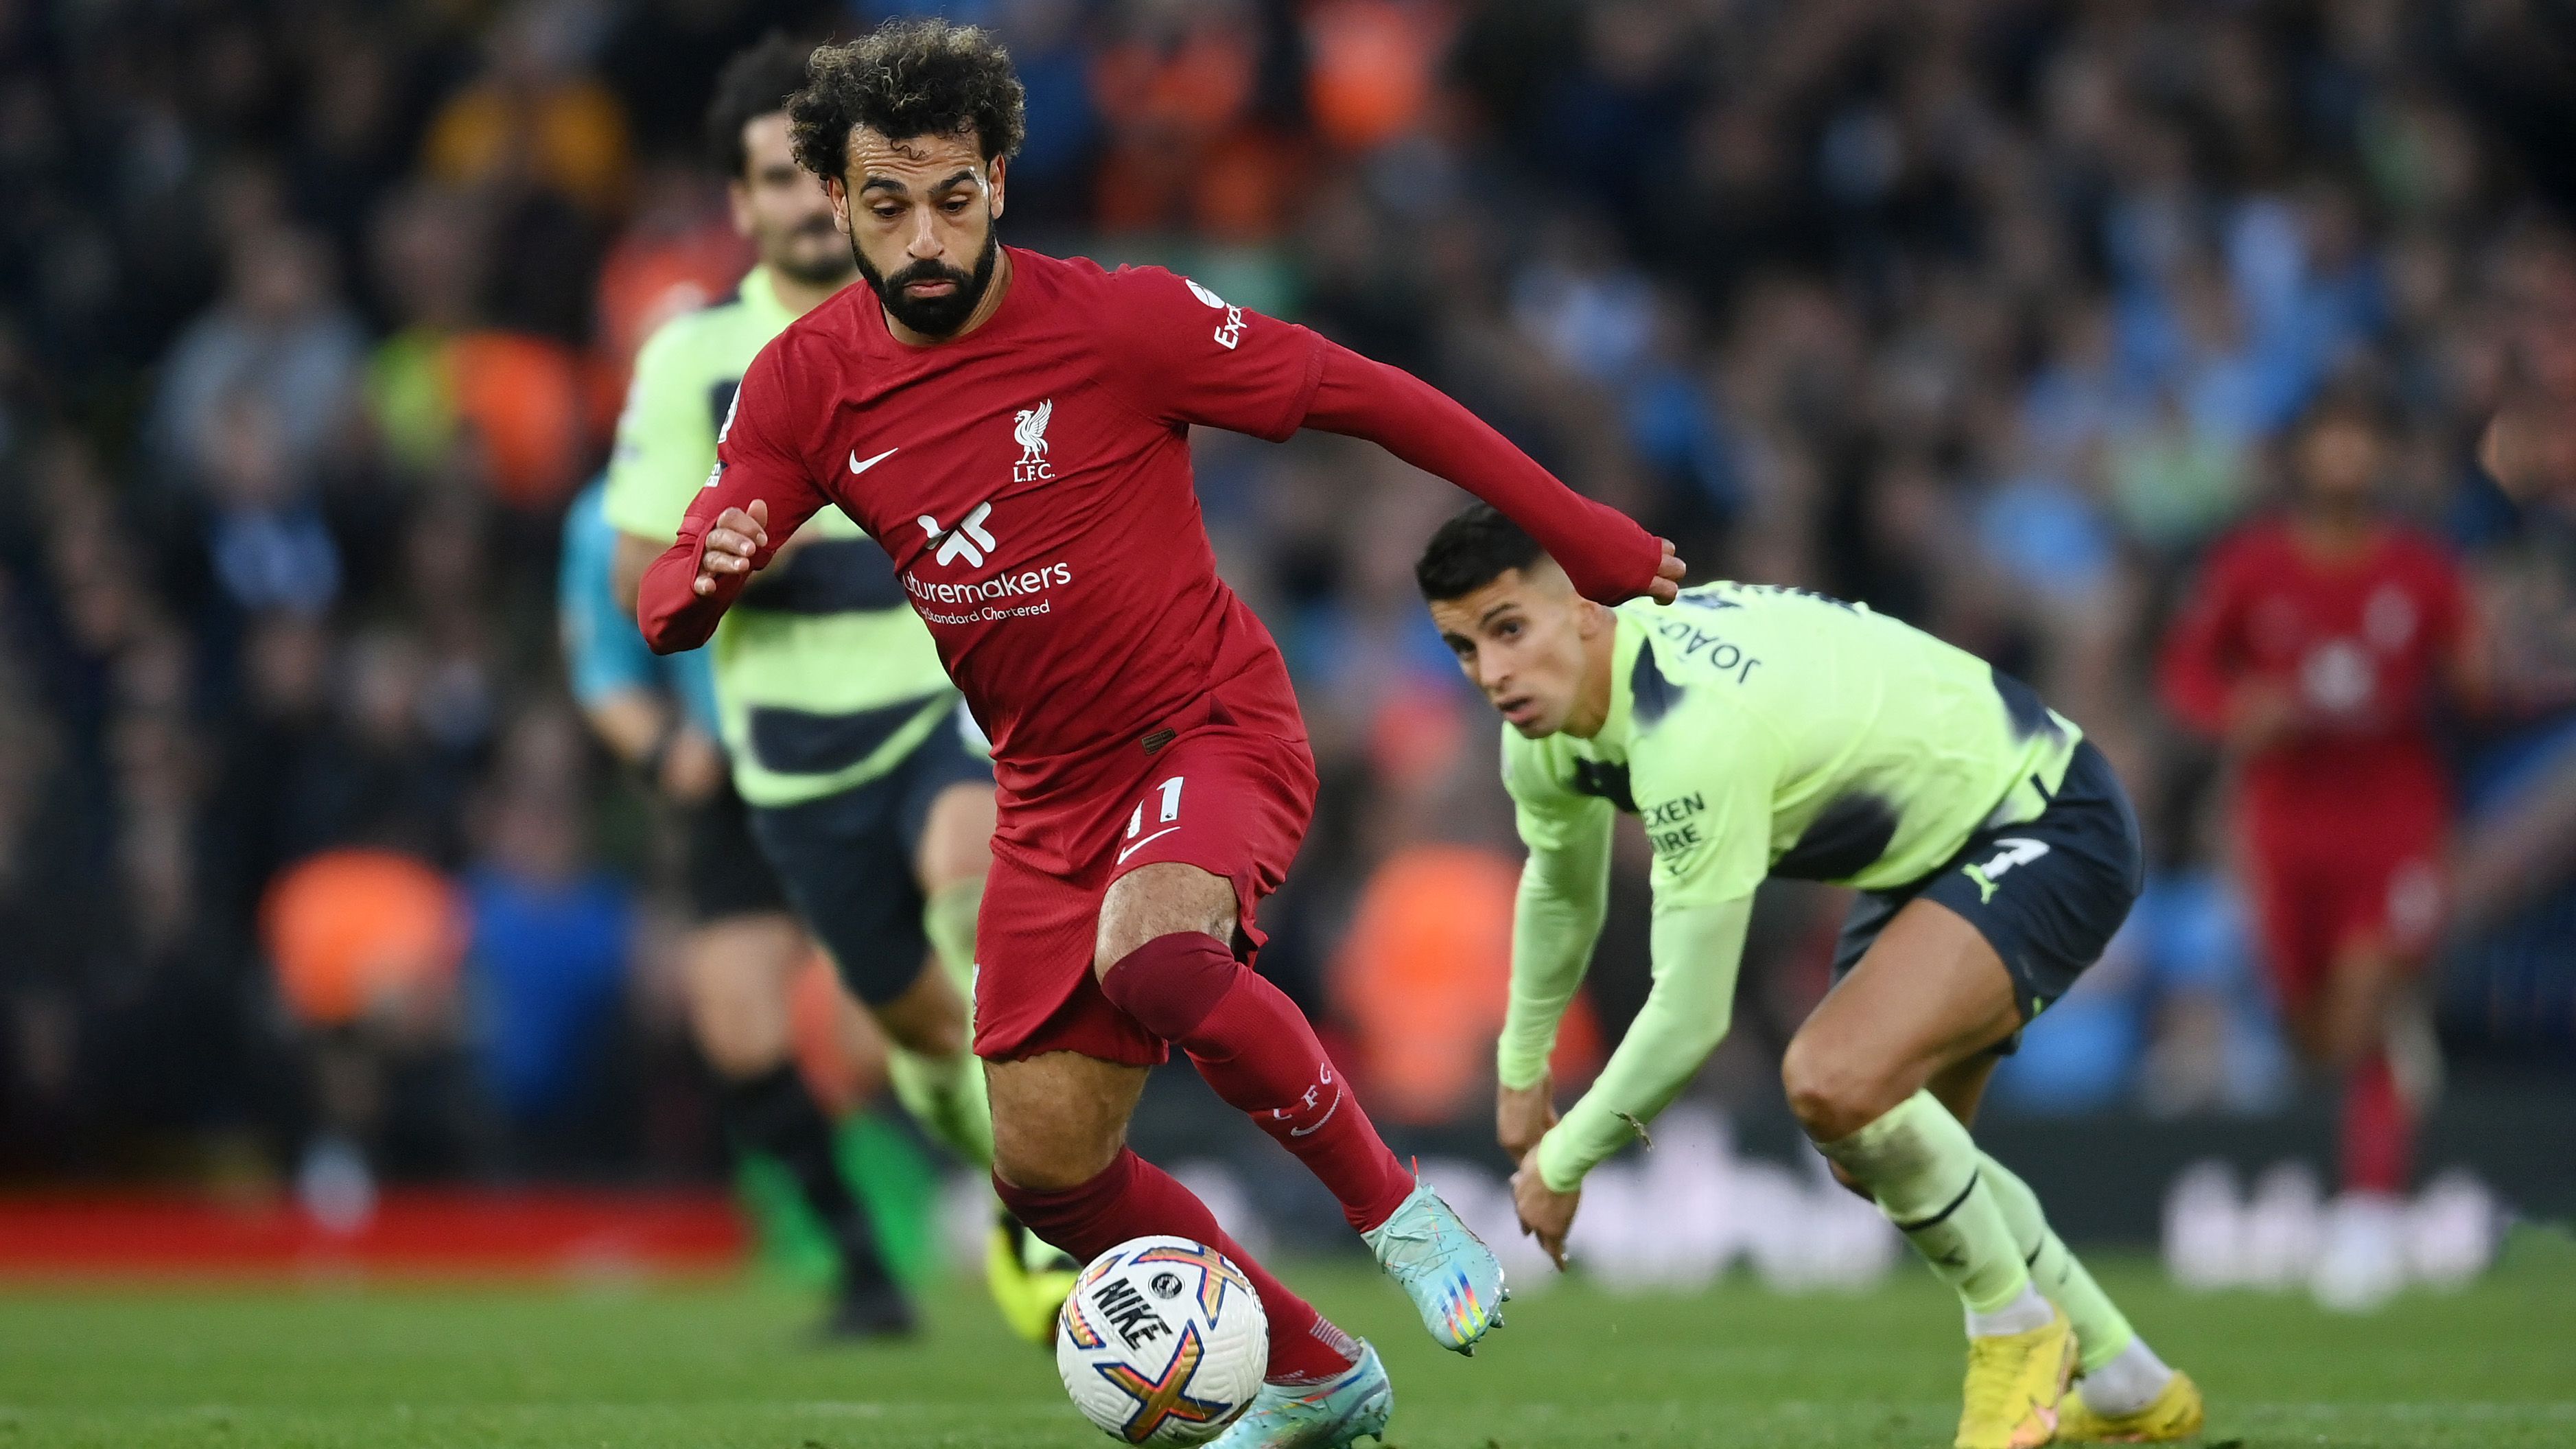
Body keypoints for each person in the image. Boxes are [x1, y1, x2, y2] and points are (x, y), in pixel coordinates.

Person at [637, 21, 1680, 1447]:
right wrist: (701, 577)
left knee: (1159, 956)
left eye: (952, 196)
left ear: (999, 178)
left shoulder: (1118, 323)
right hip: (1046, 794)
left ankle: (1401, 1213)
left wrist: (1580, 538)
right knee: (1048, 1175)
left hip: (1209, 727)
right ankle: (1317, 1372)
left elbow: (1366, 396)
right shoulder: (803, 382)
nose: (924, 236)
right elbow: (672, 588)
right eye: (888, 206)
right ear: (838, 204)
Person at [1416, 504, 2203, 1449]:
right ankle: (2125, 1382)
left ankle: (2013, 1330)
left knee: (1835, 1080)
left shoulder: (1691, 732)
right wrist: (1520, 1071)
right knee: (1874, 1134)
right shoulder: (1545, 734)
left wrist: (1564, 1156)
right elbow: (1559, 890)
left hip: (2041, 818)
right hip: (1927, 849)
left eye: (1509, 629)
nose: (1492, 673)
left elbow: (1691, 1016)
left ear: (1584, 606)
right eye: (1464, 648)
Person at [596, 35, 1070, 1341]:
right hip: (790, 753)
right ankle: (995, 1187)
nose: (808, 203)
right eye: (775, 181)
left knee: (977, 893)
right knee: (911, 1031)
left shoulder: (948, 310)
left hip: (946, 705)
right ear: (739, 205)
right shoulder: (693, 362)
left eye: (822, 175)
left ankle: (1054, 1205)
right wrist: (766, 551)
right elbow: (643, 568)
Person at [2159, 397, 2481, 1310]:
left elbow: (2476, 683)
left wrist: (2490, 666)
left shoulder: (2422, 571)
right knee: (2314, 1031)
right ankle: (2366, 1176)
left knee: (2369, 998)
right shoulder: (2251, 566)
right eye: (2330, 441)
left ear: (2380, 458)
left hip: (2394, 819)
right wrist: (2235, 713)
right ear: (2300, 458)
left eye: (2361, 441)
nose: (2345, 458)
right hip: (2286, 825)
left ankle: (2371, 1215)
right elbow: (2185, 672)